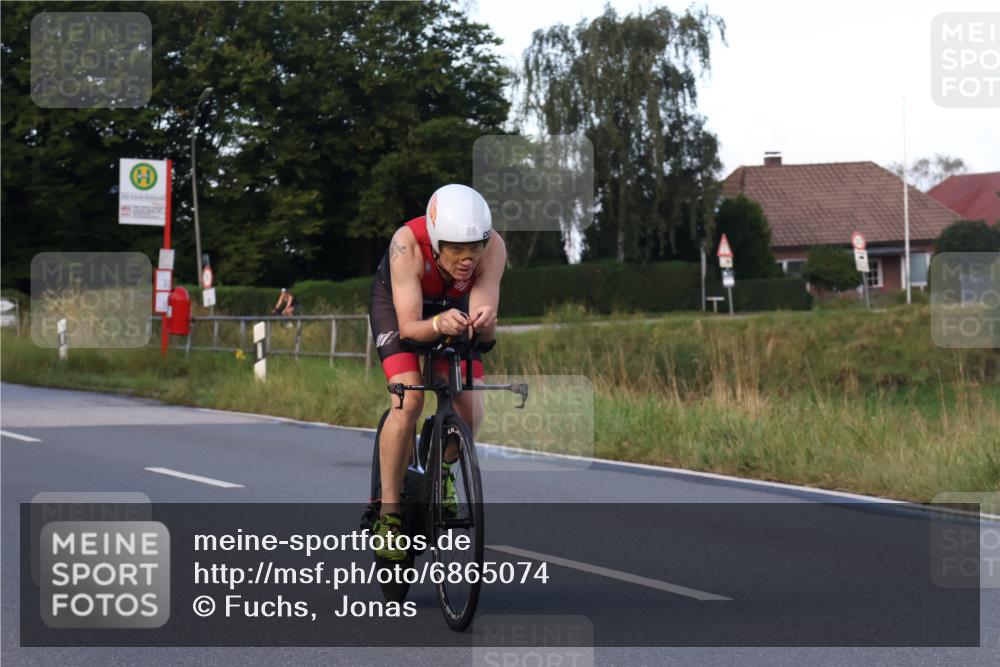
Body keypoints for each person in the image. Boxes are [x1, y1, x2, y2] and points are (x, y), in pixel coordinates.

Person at [368, 183, 505, 561]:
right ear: (435, 240)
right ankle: (389, 513)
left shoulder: (493, 248)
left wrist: (485, 321)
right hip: (400, 308)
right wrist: (439, 323)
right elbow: (410, 328)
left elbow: (484, 332)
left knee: (471, 408)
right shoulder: (406, 245)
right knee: (408, 401)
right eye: (456, 250)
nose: (467, 259)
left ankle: (443, 472)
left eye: (473, 249)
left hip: (452, 306)